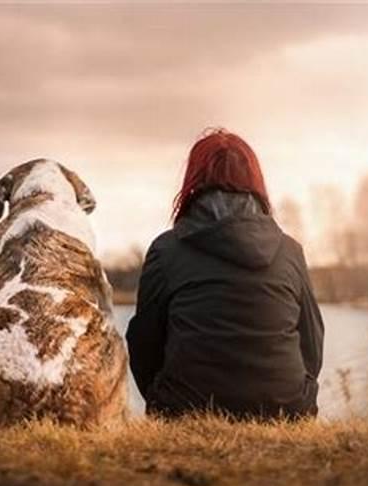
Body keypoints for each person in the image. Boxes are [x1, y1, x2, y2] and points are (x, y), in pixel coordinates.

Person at [126, 128, 324, 420]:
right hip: (287, 410)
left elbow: (144, 343)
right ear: (255, 181)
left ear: (193, 180)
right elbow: (312, 344)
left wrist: (163, 399)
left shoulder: (166, 250)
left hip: (185, 410)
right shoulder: (289, 251)